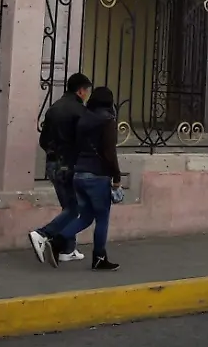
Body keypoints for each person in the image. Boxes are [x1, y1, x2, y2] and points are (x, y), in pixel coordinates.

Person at [37, 86, 124, 271]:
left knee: (85, 217)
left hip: (78, 174)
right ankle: (99, 258)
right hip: (97, 176)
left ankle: (58, 239)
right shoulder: (107, 121)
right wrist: (116, 176)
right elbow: (110, 152)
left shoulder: (84, 119)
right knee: (102, 218)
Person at [28, 72, 92, 266]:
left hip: (52, 164)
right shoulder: (79, 111)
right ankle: (42, 234)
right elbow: (83, 141)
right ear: (81, 91)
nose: (88, 94)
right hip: (70, 165)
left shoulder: (54, 108)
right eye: (87, 91)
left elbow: (43, 140)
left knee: (70, 206)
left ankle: (68, 249)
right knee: (76, 209)